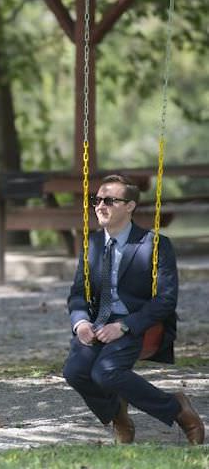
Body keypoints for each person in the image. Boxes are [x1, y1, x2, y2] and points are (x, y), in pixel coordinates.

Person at [63, 174, 204, 445]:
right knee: (75, 371)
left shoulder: (154, 244)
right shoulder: (90, 244)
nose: (100, 206)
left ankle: (179, 410)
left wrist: (124, 326)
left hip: (136, 322)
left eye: (110, 200)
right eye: (97, 200)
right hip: (98, 322)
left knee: (106, 372)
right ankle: (118, 414)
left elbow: (165, 299)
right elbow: (78, 294)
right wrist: (80, 323)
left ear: (130, 206)